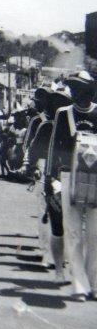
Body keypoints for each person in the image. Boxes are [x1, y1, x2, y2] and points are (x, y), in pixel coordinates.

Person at [47, 71, 97, 301]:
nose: (76, 92)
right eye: (73, 87)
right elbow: (53, 148)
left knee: (95, 234)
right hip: (69, 176)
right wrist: (51, 177)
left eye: (80, 87)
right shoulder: (63, 114)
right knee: (74, 232)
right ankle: (79, 285)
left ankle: (94, 282)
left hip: (95, 178)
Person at [25, 89, 71, 279]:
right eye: (54, 102)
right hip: (46, 170)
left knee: (66, 215)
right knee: (47, 211)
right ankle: (47, 254)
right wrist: (33, 167)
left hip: (68, 172)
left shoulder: (70, 124)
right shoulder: (43, 125)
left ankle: (62, 256)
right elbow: (33, 148)